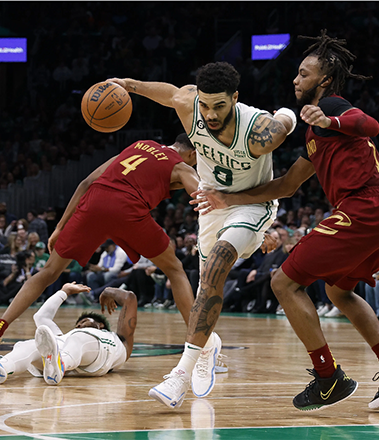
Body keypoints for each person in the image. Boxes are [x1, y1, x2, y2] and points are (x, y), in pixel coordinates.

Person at [194, 31, 379, 411]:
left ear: (324, 80)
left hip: (365, 206)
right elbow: (286, 185)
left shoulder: (333, 107)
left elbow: (371, 125)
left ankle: (328, 376)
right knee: (338, 292)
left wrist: (330, 117)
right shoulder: (317, 135)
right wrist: (228, 198)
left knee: (283, 281)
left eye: (303, 74)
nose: (295, 80)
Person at [109, 60, 295, 408]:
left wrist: (285, 113)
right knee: (204, 287)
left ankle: (181, 373)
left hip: (252, 204)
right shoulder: (191, 106)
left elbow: (285, 124)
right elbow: (171, 94)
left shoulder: (258, 131)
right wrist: (129, 83)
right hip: (212, 205)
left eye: (220, 106)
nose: (209, 114)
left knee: (217, 265)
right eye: (205, 105)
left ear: (235, 98)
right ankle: (209, 347)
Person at [0, 135, 202, 361]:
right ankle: (200, 349)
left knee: (48, 272)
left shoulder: (138, 145)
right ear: (192, 153)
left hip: (95, 202)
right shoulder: (182, 167)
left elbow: (86, 182)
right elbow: (203, 198)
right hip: (128, 209)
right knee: (175, 271)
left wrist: (59, 227)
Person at [0, 284, 136, 385]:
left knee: (78, 338)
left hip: (96, 359)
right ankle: (0, 367)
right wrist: (64, 291)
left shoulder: (120, 341)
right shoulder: (63, 337)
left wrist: (107, 291)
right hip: (65, 361)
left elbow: (130, 298)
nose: (80, 324)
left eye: (85, 321)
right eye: (79, 323)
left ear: (101, 325)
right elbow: (41, 316)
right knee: (28, 345)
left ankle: (58, 364)